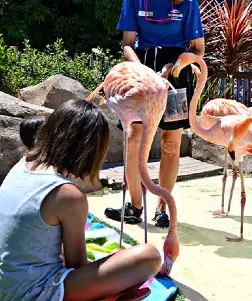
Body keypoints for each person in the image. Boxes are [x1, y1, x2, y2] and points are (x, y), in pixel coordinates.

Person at [0, 99, 161, 300]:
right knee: (149, 257)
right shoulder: (67, 195)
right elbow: (75, 264)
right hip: (33, 292)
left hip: (6, 283)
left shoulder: (22, 164)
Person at [104, 0, 205, 228]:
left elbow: (198, 49)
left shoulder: (188, 4)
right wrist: (143, 72)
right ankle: (134, 206)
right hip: (140, 71)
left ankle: (162, 208)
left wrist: (172, 66)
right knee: (133, 138)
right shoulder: (133, 1)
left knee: (171, 143)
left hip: (176, 74)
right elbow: (128, 44)